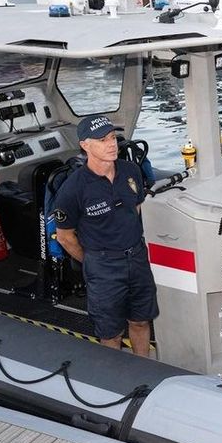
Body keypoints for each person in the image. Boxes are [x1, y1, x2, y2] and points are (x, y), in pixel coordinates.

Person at [53, 115, 158, 356]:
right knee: (111, 333)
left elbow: (137, 207)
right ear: (85, 145)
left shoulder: (131, 171)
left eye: (112, 137)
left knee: (141, 321)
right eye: (102, 140)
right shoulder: (72, 189)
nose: (111, 144)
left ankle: (142, 369)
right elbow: (65, 237)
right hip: (103, 266)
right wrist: (93, 260)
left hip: (137, 258)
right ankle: (118, 382)